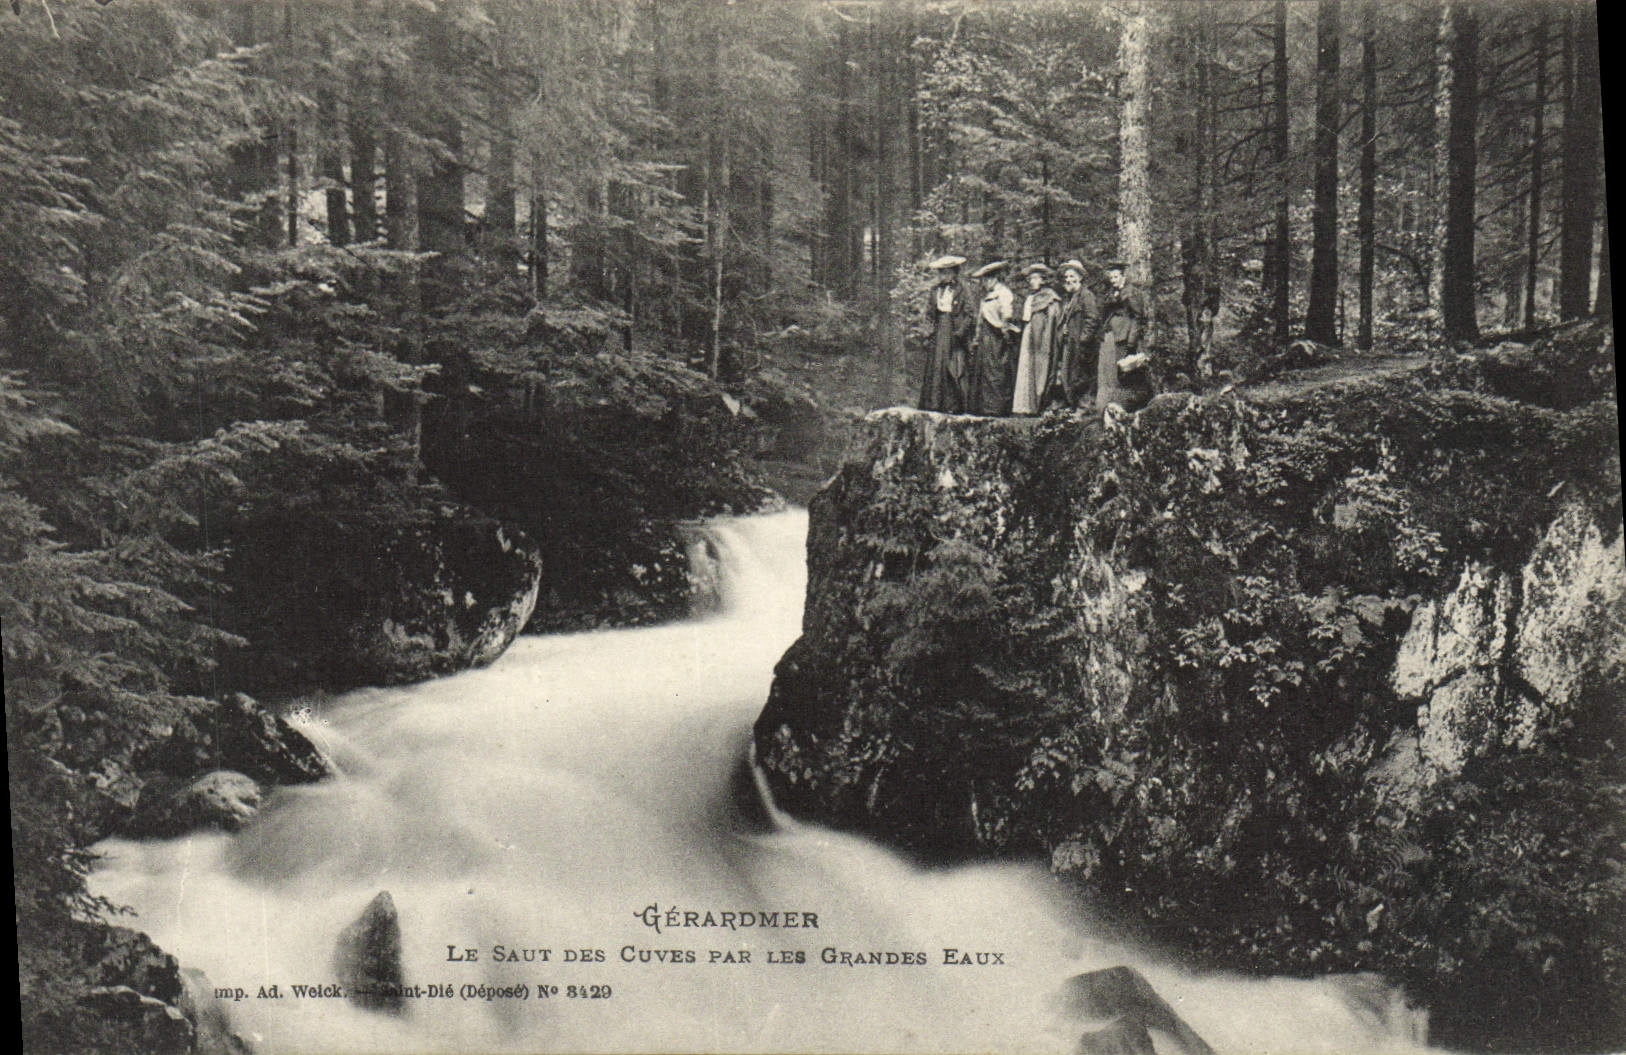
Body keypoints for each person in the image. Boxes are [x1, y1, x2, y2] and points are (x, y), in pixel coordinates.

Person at [918, 254, 975, 412]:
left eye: (947, 272)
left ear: (954, 272)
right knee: (936, 366)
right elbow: (930, 313)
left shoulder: (962, 289)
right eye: (941, 272)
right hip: (938, 330)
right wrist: (927, 333)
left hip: (954, 331)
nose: (943, 276)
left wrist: (961, 332)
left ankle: (953, 405)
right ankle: (934, 403)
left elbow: (970, 314)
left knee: (953, 366)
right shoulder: (935, 290)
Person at [1095, 259, 1154, 415]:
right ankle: (1108, 405)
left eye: (1116, 277)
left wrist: (1131, 341)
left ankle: (1129, 406)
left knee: (1126, 372)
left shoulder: (1131, 292)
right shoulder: (1112, 293)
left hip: (1124, 336)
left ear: (1123, 276)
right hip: (1111, 335)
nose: (1113, 280)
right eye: (1111, 278)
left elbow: (1138, 317)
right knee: (1110, 372)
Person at [966, 260, 1019, 416]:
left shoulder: (1003, 293)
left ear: (995, 278)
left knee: (997, 371)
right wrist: (976, 338)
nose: (985, 283)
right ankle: (982, 407)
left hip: (997, 337)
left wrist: (1004, 331)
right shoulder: (987, 296)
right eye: (984, 280)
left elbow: (1007, 314)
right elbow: (981, 319)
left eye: (988, 279)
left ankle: (997, 407)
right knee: (983, 371)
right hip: (985, 337)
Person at [1010, 262, 1062, 416]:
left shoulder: (1050, 297)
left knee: (1040, 369)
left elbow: (1053, 320)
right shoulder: (1031, 298)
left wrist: (1045, 335)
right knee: (1026, 367)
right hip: (1029, 334)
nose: (1031, 282)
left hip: (1043, 339)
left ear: (1043, 280)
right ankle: (1024, 406)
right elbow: (1026, 319)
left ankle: (1038, 404)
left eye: (1035, 278)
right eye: (1030, 279)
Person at [1053, 259, 1100, 408]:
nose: (1069, 280)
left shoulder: (1086, 295)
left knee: (1081, 375)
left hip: (1082, 344)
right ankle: (1071, 405)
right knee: (1067, 374)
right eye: (1066, 277)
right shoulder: (1069, 298)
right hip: (1069, 342)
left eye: (1072, 276)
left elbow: (1092, 319)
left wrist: (1084, 340)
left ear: (1080, 277)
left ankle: (1084, 406)